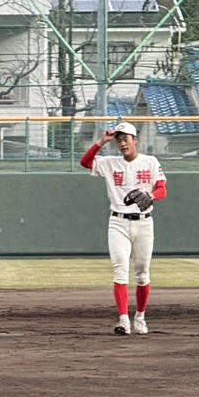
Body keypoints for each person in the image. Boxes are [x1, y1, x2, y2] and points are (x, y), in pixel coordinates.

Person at [79, 120, 167, 335]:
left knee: (142, 273)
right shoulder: (110, 163)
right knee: (119, 271)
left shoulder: (150, 161)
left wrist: (151, 195)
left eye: (125, 139)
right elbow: (85, 162)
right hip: (118, 222)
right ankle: (123, 320)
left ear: (135, 140)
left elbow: (162, 188)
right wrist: (101, 141)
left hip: (144, 223)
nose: (122, 143)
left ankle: (140, 317)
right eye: (119, 140)